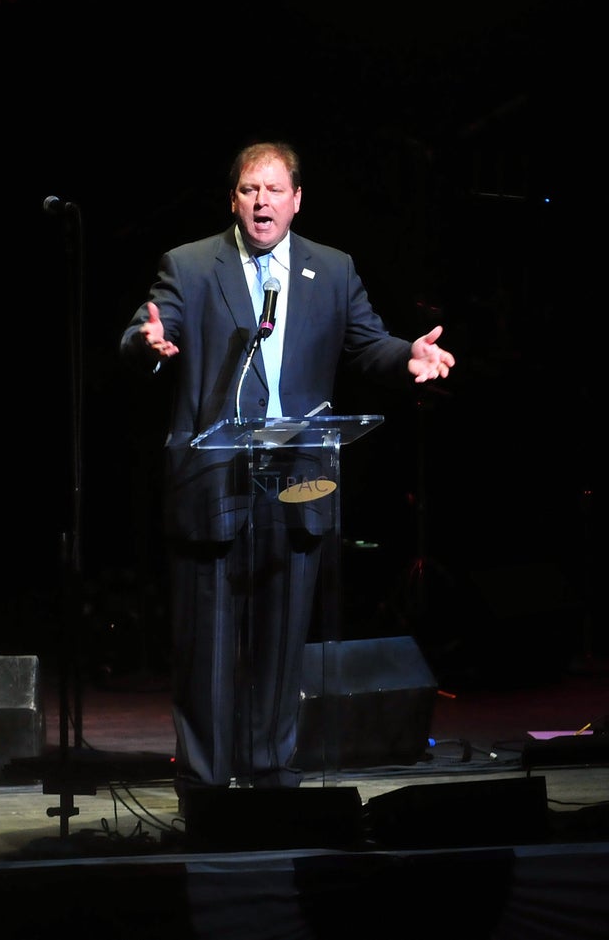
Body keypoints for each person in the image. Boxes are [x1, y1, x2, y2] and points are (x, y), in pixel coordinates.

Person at [120, 140, 455, 808]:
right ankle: (208, 788)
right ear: (234, 199)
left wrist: (408, 355)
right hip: (214, 482)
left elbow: (369, 343)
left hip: (299, 480)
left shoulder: (331, 270)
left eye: (275, 189)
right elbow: (148, 328)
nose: (262, 201)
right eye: (250, 189)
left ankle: (274, 782)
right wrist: (147, 343)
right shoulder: (189, 266)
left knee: (280, 648)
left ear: (297, 199)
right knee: (209, 652)